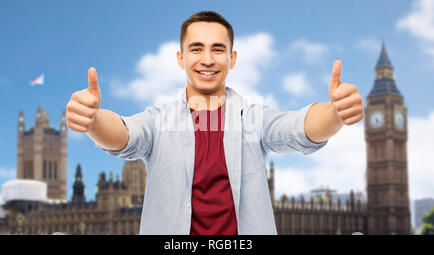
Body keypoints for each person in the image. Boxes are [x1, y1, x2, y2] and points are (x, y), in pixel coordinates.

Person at [65, 11, 363, 235]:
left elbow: (300, 127)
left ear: (232, 58)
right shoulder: (158, 121)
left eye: (217, 49)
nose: (207, 59)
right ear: (181, 58)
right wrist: (92, 120)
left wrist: (335, 112)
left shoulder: (254, 120)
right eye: (196, 49)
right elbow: (125, 135)